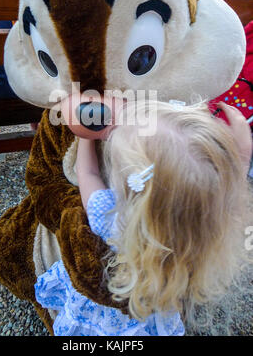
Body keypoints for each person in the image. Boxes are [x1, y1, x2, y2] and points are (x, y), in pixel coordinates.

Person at [34, 100, 252, 336]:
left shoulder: (111, 218)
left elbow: (86, 172)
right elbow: (228, 185)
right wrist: (240, 155)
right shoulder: (212, 220)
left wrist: (86, 135)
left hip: (110, 319)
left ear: (132, 190)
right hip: (158, 304)